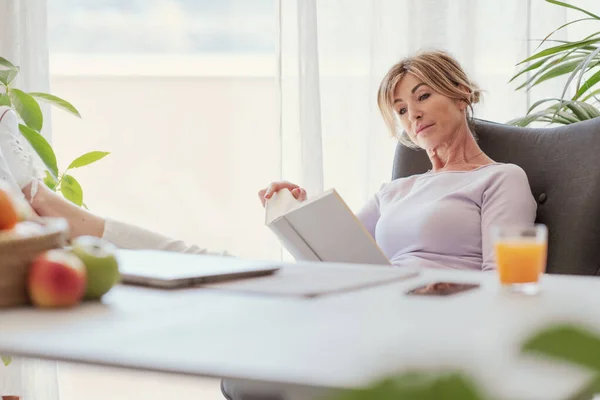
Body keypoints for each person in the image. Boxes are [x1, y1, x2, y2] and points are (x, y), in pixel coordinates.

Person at [260, 50, 537, 271]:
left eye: (423, 96)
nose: (413, 114)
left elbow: (503, 281)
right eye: (401, 110)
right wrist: (298, 212)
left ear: (461, 95)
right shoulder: (391, 193)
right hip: (380, 307)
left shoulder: (500, 179)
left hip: (444, 316)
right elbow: (331, 260)